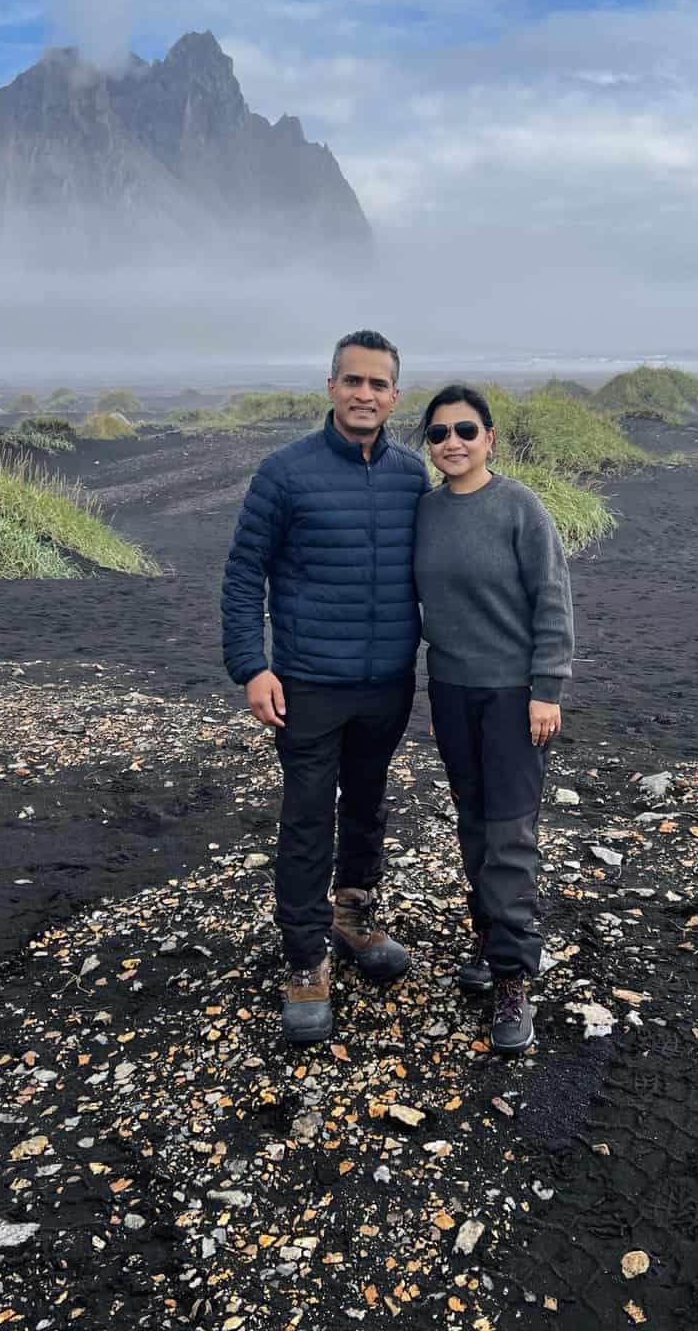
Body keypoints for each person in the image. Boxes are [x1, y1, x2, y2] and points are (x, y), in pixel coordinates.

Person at [221, 330, 430, 1044]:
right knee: (309, 818)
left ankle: (353, 918)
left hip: (388, 684)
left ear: (395, 396)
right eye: (352, 381)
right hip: (307, 683)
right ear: (331, 387)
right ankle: (305, 958)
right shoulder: (284, 473)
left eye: (378, 384)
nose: (364, 394)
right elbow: (244, 576)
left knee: (368, 806)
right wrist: (252, 666)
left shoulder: (411, 476)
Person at [414, 384, 574, 1054]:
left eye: (466, 430)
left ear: (490, 438)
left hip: (514, 697)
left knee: (510, 836)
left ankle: (514, 978)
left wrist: (547, 687)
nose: (452, 441)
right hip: (450, 691)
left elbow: (552, 597)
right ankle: (486, 939)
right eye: (439, 433)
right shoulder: (423, 512)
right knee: (473, 824)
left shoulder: (519, 508)